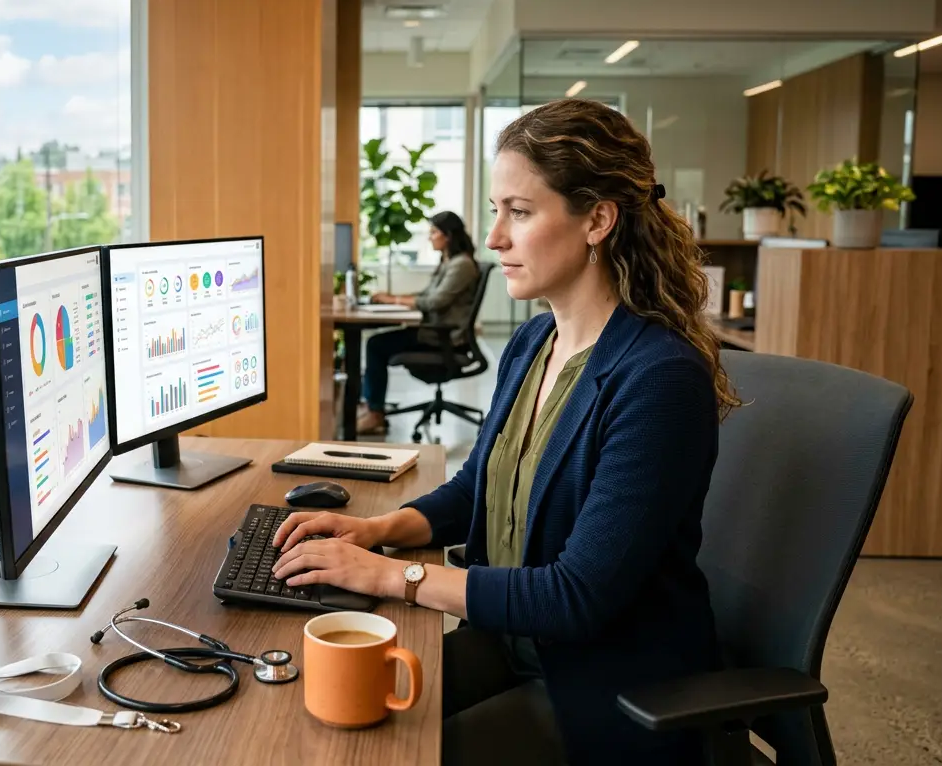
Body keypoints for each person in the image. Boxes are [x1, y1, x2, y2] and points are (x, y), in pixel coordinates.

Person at [272, 98, 740, 765]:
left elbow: (576, 597)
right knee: (327, 708)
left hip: (607, 687)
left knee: (385, 753)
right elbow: (476, 493)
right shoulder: (532, 343)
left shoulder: (658, 378)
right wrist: (375, 531)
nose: (494, 238)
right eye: (496, 210)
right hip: (513, 643)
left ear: (597, 220)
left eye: (519, 212)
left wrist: (388, 577)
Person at [357, 210, 480, 435]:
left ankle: (375, 413)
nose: (429, 237)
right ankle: (372, 408)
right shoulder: (450, 262)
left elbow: (434, 302)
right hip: (434, 332)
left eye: (434, 232)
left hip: (443, 338)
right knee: (378, 342)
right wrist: (395, 299)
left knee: (376, 345)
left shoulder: (461, 265)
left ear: (448, 235)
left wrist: (394, 299)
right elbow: (425, 295)